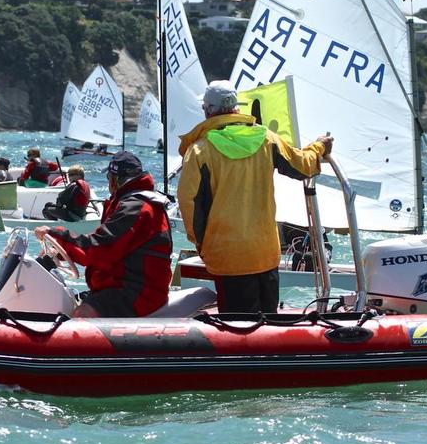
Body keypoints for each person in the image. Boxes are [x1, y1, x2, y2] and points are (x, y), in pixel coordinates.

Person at [177, 80, 333, 313]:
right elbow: (303, 166)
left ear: (207, 111)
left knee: (237, 329)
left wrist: (202, 245)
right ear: (237, 108)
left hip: (227, 257)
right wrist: (319, 147)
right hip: (265, 255)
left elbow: (189, 204)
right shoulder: (266, 139)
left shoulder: (200, 151)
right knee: (267, 326)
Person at [34, 151, 172, 318]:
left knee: (81, 314)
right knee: (72, 302)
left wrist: (58, 234)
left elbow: (100, 249)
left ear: (116, 180)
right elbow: (107, 243)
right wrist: (61, 254)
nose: (108, 184)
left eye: (109, 178)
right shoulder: (131, 203)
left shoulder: (136, 208)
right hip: (123, 285)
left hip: (138, 291)